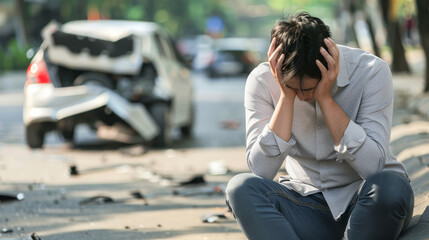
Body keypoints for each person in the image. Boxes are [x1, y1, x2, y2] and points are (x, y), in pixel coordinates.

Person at [225, 12, 414, 240]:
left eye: (310, 89)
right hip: (304, 206)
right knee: (241, 187)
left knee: (391, 185)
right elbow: (261, 170)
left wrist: (326, 99)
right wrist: (286, 98)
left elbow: (373, 167)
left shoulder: (371, 71)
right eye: (295, 88)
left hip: (368, 204)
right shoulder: (262, 81)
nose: (303, 97)